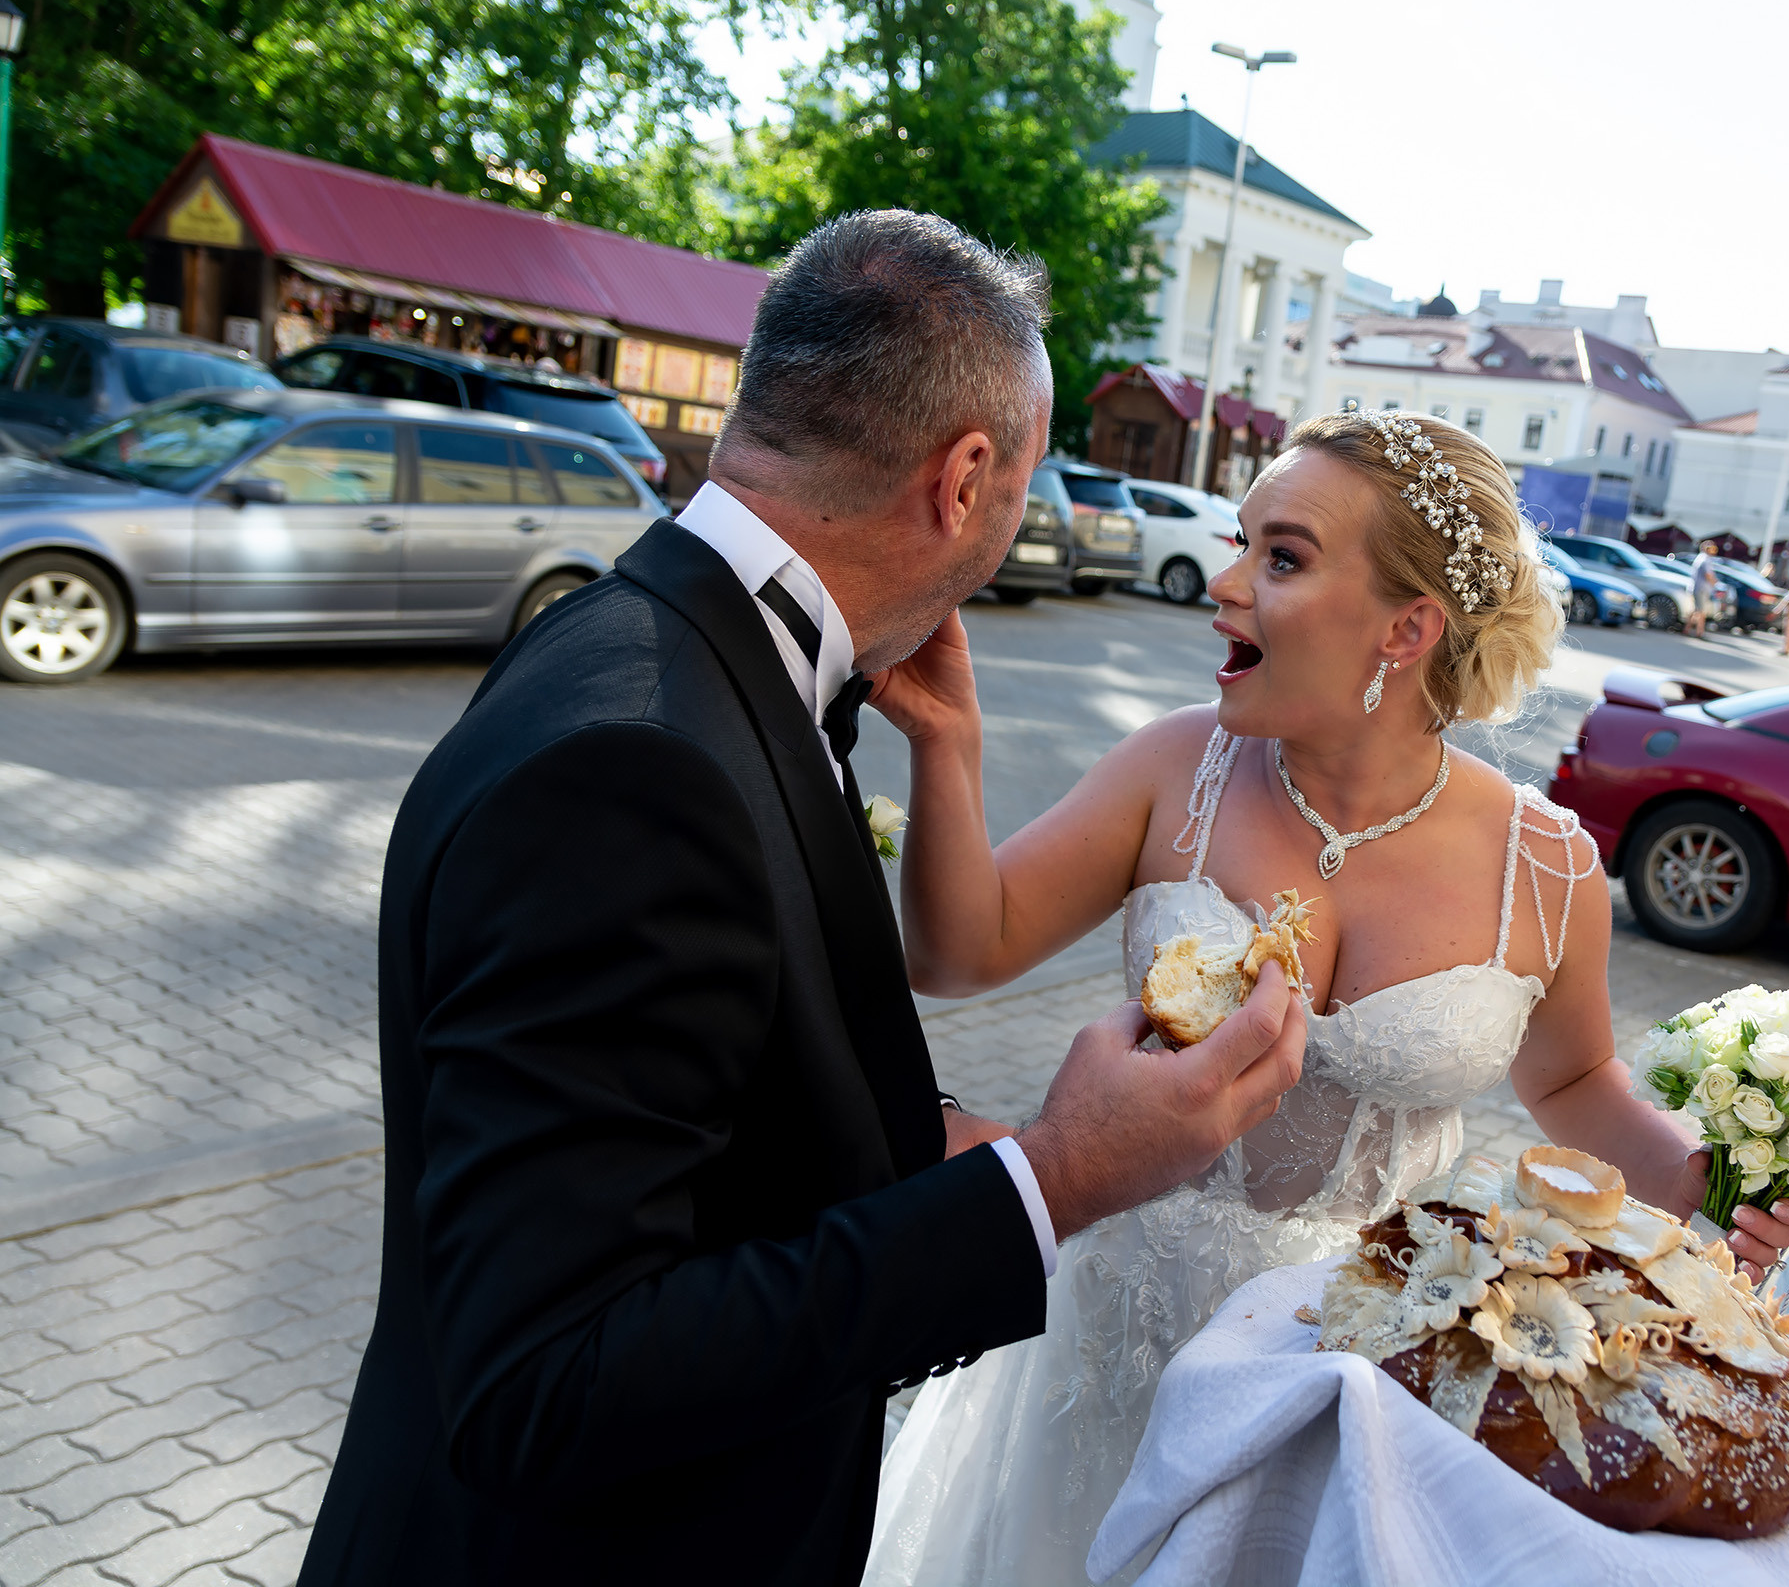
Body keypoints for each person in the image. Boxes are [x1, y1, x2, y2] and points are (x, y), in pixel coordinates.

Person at [298, 211, 1308, 1587]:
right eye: (1026, 474)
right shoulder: (637, 766)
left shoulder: (657, 644)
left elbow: (703, 1105)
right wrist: (1053, 1179)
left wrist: (930, 1143)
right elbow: (548, 1379)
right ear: (963, 479)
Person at [862, 411, 1789, 1584]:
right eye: (1242, 542)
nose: (1224, 584)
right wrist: (949, 744)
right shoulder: (1176, 768)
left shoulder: (1549, 862)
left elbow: (1570, 1078)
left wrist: (1705, 1187)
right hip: (1113, 1341)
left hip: (1365, 1367)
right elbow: (962, 954)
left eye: (1283, 556)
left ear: (1407, 628)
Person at [1686, 540, 1720, 635]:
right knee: (1701, 612)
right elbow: (1708, 575)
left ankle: (1687, 629)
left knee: (1696, 610)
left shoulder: (1700, 558)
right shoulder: (1705, 559)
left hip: (1697, 588)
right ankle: (1699, 632)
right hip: (1702, 589)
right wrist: (1714, 582)